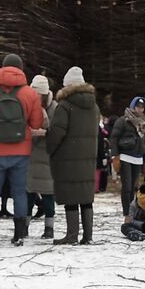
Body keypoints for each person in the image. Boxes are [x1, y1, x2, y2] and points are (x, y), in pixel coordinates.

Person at [0, 53, 44, 248]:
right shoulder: (30, 93)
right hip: (21, 151)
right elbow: (36, 123)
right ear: (20, 69)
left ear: (2, 67)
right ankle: (19, 235)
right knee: (20, 193)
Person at [46, 66, 99, 245]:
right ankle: (88, 236)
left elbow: (57, 133)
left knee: (71, 196)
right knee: (85, 197)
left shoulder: (65, 106)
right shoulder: (95, 107)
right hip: (88, 158)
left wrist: (50, 148)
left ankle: (71, 235)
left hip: (67, 158)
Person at [25, 75, 57, 238]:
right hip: (30, 155)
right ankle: (24, 227)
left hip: (47, 156)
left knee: (48, 194)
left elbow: (59, 132)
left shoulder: (55, 109)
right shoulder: (26, 105)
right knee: (28, 194)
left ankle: (49, 228)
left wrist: (46, 133)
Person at [110, 96, 145, 223]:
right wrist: (115, 157)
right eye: (138, 106)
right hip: (125, 157)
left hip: (138, 158)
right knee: (126, 187)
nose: (140, 109)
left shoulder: (144, 123)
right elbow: (114, 139)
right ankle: (127, 213)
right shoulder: (123, 121)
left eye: (142, 107)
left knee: (134, 187)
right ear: (133, 106)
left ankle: (134, 211)